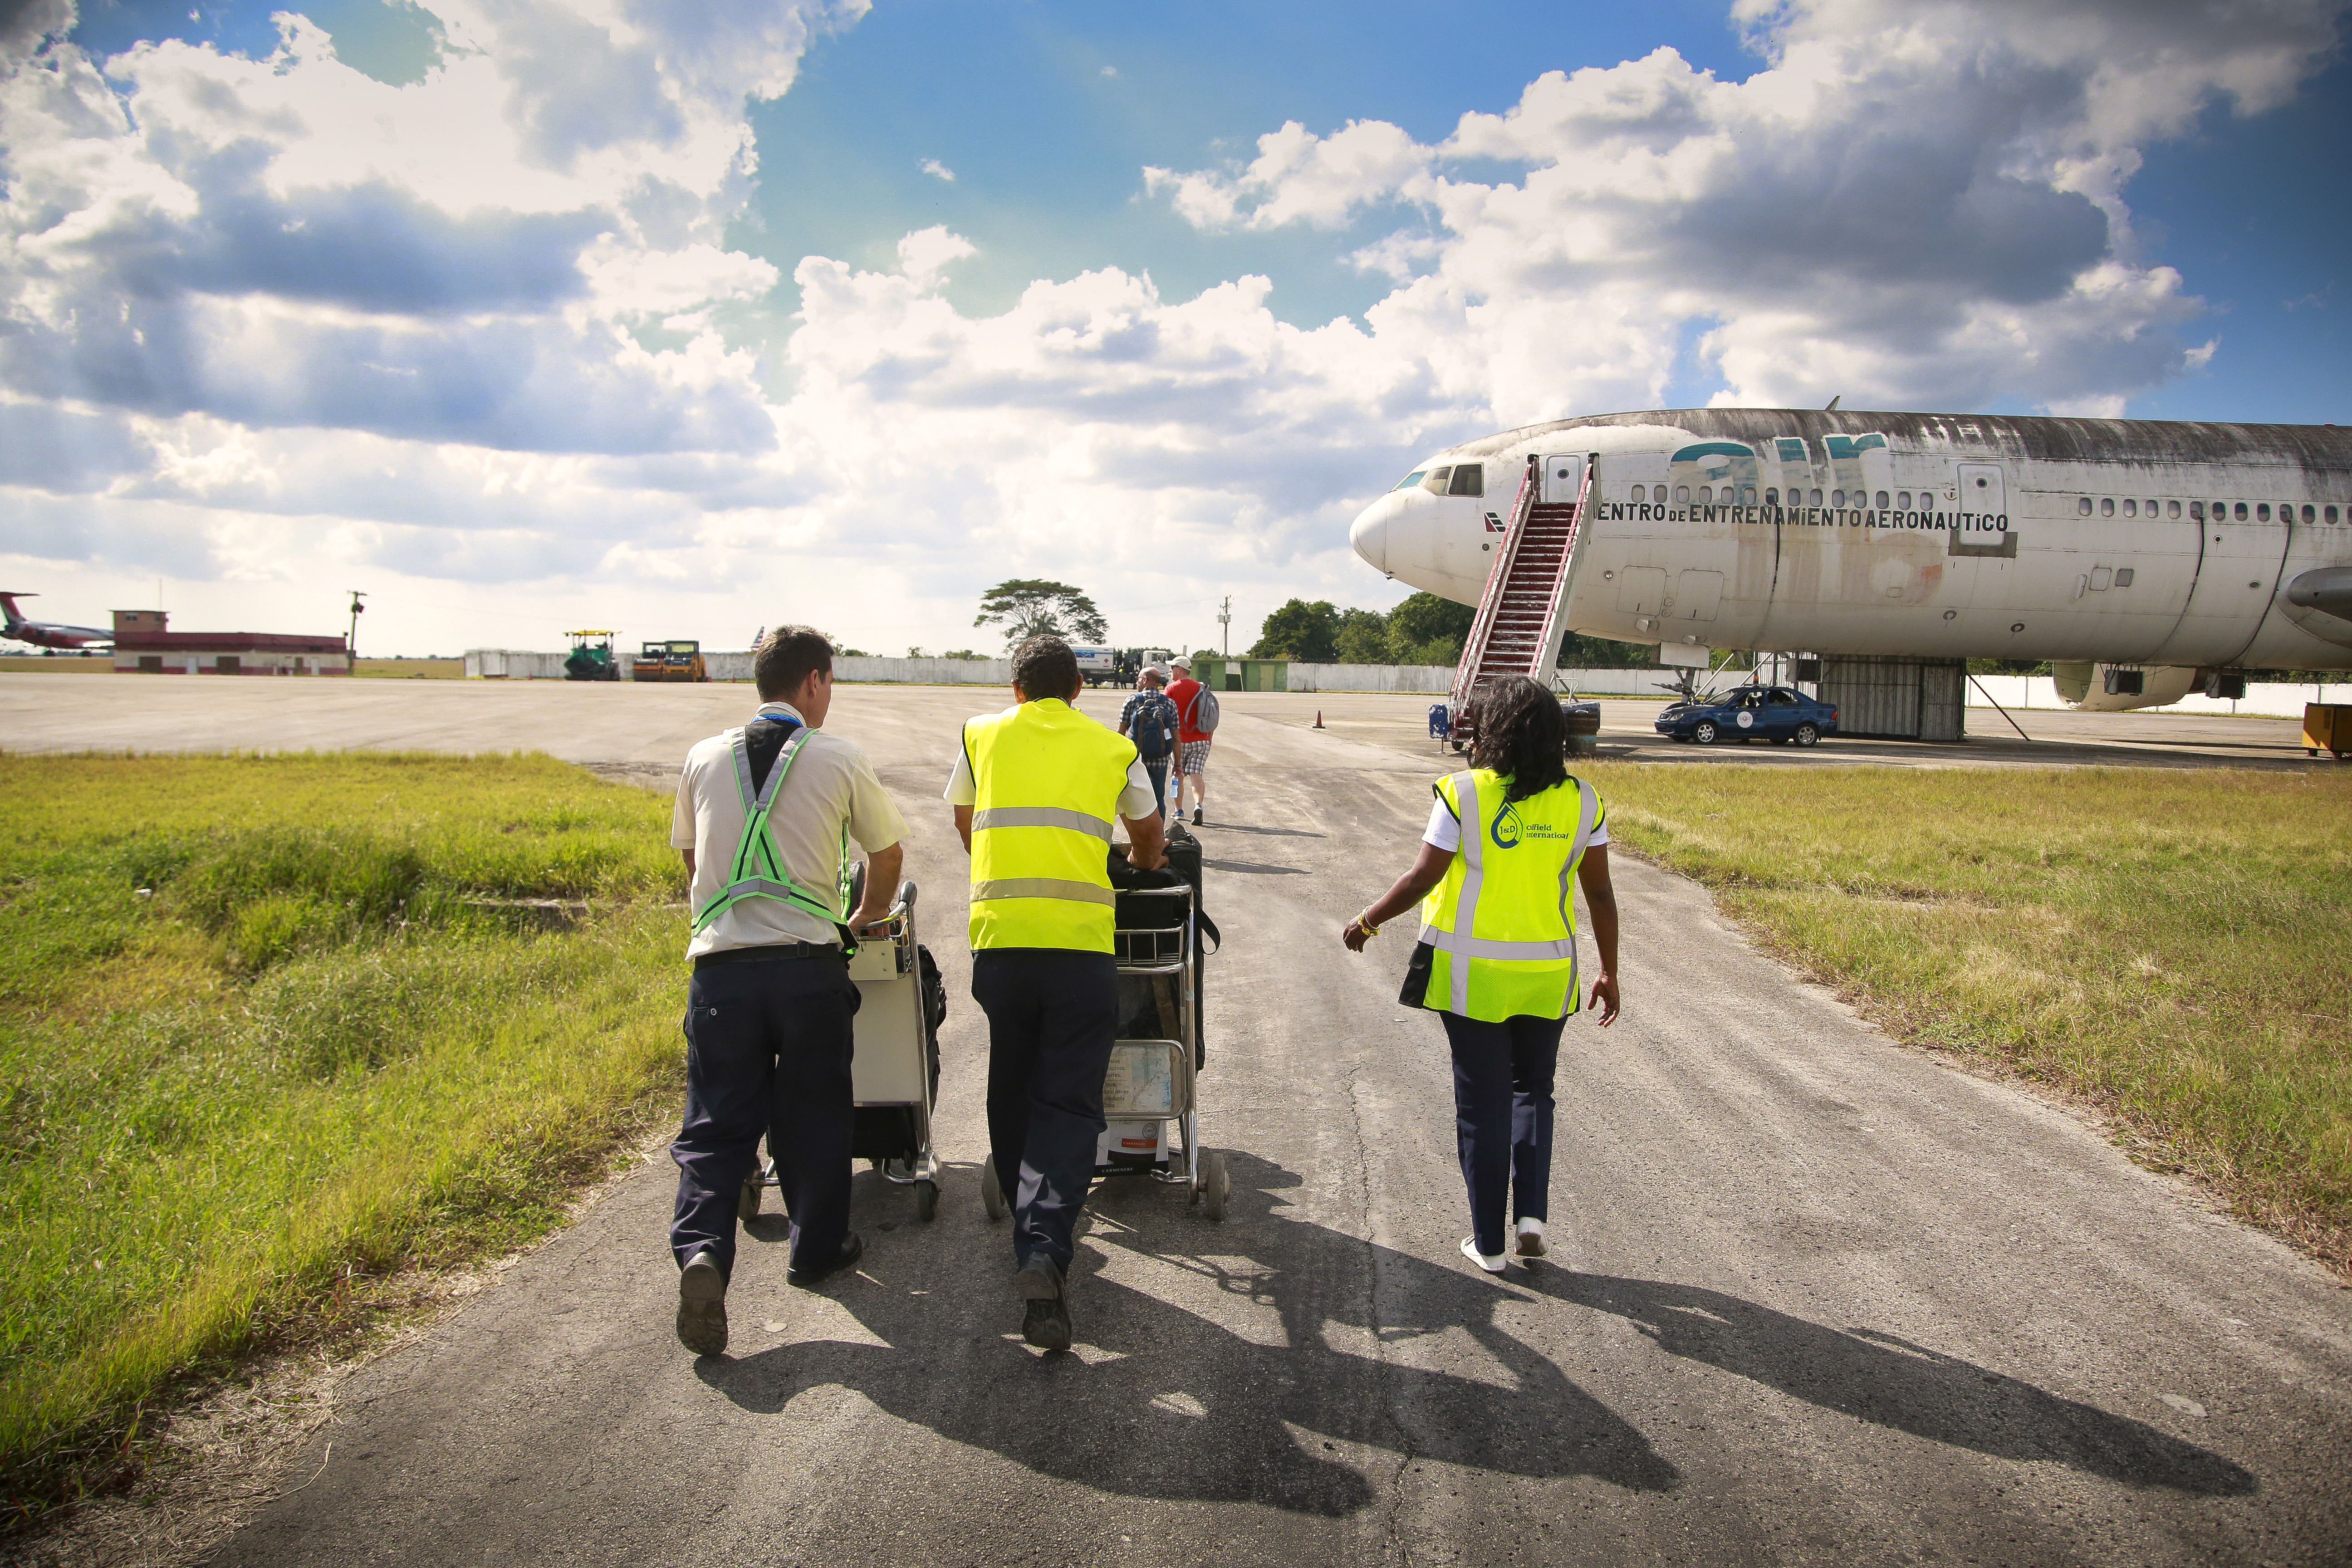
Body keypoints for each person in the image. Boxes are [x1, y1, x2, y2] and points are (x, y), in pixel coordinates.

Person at [667, 626, 908, 1356]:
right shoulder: (838, 757)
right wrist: (863, 919)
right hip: (808, 968)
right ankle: (816, 1250)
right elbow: (887, 853)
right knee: (813, 1113)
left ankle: (704, 1251)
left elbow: (688, 852)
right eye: (830, 682)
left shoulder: (704, 757)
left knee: (714, 1125)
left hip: (722, 971)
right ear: (813, 683)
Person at [1341, 675, 1619, 1275]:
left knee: (1481, 1105)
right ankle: (1533, 1217)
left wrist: (1367, 921)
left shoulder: (1462, 793)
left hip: (1470, 977)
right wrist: (1610, 972)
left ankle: (1489, 1245)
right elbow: (1600, 894)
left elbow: (1423, 878)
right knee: (1533, 1092)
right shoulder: (1583, 801)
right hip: (1548, 976)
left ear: (1490, 729)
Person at [946, 634, 1167, 1349]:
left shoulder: (981, 735)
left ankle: (1022, 1209)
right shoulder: (1112, 747)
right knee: (1069, 1097)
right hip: (1078, 947)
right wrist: (1131, 865)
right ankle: (1044, 1244)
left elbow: (965, 823)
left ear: (1015, 689)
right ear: (1079, 687)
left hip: (1001, 941)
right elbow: (1150, 837)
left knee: (1011, 1077)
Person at [1117, 666, 1180, 819]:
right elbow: (1177, 737)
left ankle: (1139, 835)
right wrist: (1177, 764)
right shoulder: (1170, 704)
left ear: (1145, 680)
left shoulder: (1132, 701)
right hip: (1161, 760)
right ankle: (1159, 836)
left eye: (1138, 679)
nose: (1137, 682)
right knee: (1159, 798)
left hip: (1136, 759)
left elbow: (1121, 734)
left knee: (1134, 799)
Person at [1164, 655, 1214, 826]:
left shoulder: (1171, 689)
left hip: (1179, 742)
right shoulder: (1203, 688)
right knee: (1196, 775)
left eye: (1172, 668)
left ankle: (1178, 811)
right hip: (1201, 739)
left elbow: (1164, 715)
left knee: (1176, 775)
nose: (1171, 672)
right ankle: (1198, 805)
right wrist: (1210, 738)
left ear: (1179, 669)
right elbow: (1212, 714)